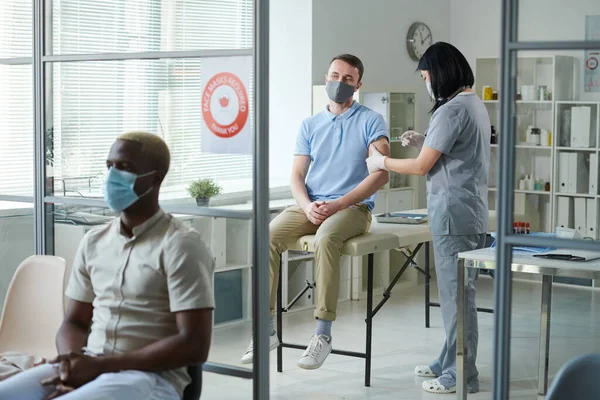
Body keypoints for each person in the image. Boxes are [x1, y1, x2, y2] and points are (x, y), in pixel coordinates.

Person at [0, 132, 215, 400]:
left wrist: (99, 367)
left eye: (124, 168)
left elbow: (194, 345)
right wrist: (70, 363)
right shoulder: (94, 242)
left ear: (155, 178)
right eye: (109, 166)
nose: (113, 175)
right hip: (91, 364)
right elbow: (74, 322)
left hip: (150, 378)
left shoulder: (181, 245)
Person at [241, 54, 390, 370]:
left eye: (347, 79)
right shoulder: (310, 125)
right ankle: (266, 330)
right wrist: (308, 205)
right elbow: (296, 176)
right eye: (335, 75)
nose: (339, 83)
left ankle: (323, 334)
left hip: (353, 207)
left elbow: (381, 174)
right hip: (312, 203)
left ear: (358, 85)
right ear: (326, 78)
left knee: (325, 239)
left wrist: (338, 204)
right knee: (265, 236)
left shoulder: (372, 121)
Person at [366, 42, 490, 394]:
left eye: (425, 76)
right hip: (468, 212)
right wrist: (425, 138)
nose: (426, 82)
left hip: (454, 215)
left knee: (456, 299)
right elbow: (456, 152)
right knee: (457, 295)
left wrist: (382, 163)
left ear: (439, 72)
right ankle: (447, 360)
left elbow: (422, 167)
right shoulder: (471, 103)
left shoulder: (451, 110)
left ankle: (461, 374)